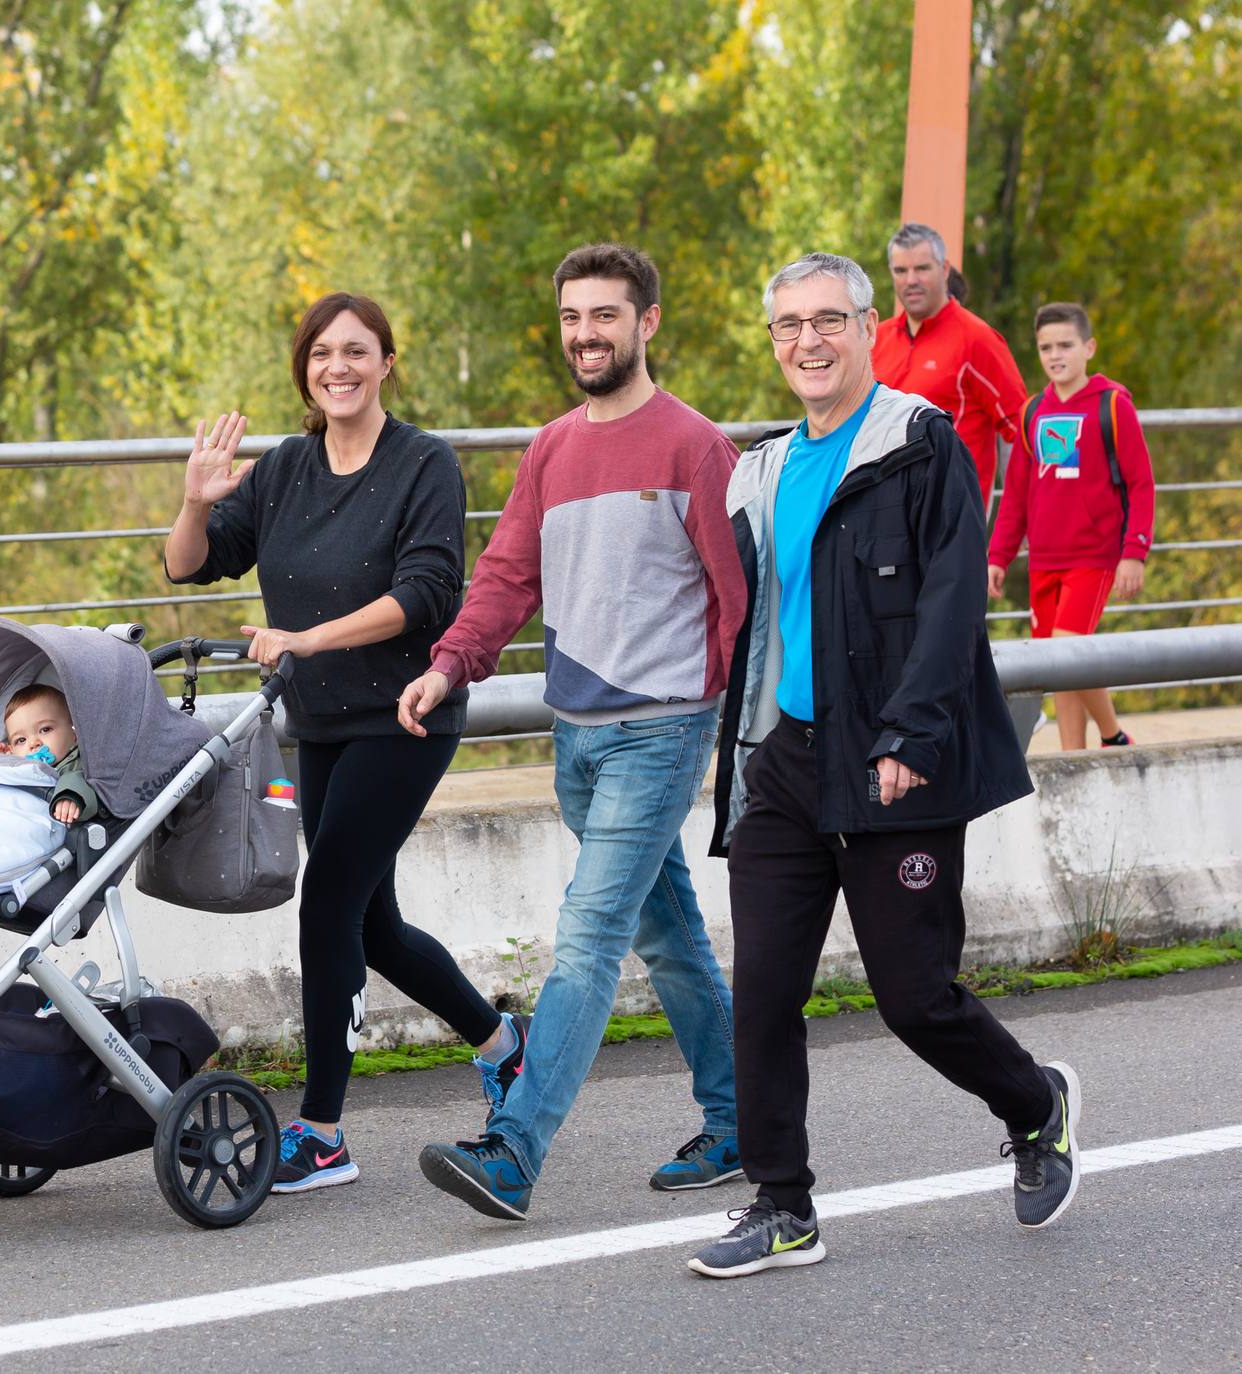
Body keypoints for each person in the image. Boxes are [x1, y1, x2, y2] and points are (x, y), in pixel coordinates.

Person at [691, 252, 1081, 1281]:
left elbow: (955, 602)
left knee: (913, 996)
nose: (806, 343)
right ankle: (782, 1207)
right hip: (784, 762)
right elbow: (746, 617)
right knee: (762, 992)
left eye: (826, 321)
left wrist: (908, 736)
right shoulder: (760, 468)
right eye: (787, 327)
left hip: (888, 765)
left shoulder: (918, 442)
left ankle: (1036, 1105)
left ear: (867, 328)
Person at [404, 242, 749, 1220]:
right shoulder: (553, 449)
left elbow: (738, 603)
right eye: (571, 318)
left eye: (604, 315)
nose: (586, 334)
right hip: (578, 740)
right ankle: (740, 1122)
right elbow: (508, 576)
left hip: (661, 732)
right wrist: (447, 664)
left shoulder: (694, 446)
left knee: (589, 936)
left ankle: (512, 1151)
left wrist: (731, 737)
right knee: (671, 938)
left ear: (646, 323)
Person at [163, 291, 520, 1194]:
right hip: (319, 721)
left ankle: (322, 1133)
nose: (339, 368)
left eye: (357, 352)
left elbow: (432, 590)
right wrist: (197, 504)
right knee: (373, 924)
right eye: (323, 355)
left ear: (386, 363)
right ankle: (505, 1046)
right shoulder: (285, 468)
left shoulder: (423, 465)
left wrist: (306, 639)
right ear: (306, 371)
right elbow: (191, 563)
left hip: (405, 715)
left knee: (327, 908)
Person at [987, 301, 1156, 750]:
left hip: (1094, 556)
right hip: (1044, 558)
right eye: (1046, 347)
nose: (1055, 355)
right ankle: (1073, 760)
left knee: (1067, 650)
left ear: (1089, 348)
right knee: (1059, 670)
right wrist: (998, 555)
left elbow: (1141, 484)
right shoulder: (1032, 412)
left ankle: (1113, 735)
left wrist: (1134, 552)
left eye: (1065, 344)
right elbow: (1017, 495)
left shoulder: (1113, 405)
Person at [871, 223, 1028, 505]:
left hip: (954, 521)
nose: (911, 280)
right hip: (884, 520)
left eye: (922, 268)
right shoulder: (875, 339)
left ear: (944, 269)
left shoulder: (978, 339)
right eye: (901, 271)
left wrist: (1022, 513)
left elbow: (1020, 431)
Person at [0, 684, 97, 824]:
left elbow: (79, 779)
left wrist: (71, 795)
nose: (33, 743)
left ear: (74, 733)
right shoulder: (19, 767)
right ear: (12, 751)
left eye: (45, 729)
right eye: (21, 740)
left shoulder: (80, 764)